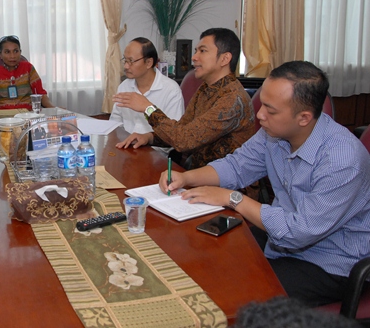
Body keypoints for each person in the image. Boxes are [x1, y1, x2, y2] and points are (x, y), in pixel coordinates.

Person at [160, 61, 370, 307]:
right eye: (262, 104)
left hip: (331, 261)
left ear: (303, 117)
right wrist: (187, 177)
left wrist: (233, 198)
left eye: (270, 110)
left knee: (237, 292)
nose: (260, 115)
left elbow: (298, 232)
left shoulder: (342, 159)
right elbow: (237, 166)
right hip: (279, 236)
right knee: (205, 254)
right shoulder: (276, 132)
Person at [113, 28, 255, 176]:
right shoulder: (205, 89)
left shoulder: (232, 99)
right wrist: (149, 137)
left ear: (225, 59)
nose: (194, 57)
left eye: (202, 51)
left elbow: (184, 140)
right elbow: (181, 130)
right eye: (196, 51)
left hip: (225, 183)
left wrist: (148, 108)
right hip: (198, 174)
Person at [109, 37, 184, 134]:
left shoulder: (171, 90)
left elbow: (174, 133)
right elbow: (115, 123)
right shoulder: (124, 86)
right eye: (125, 60)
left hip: (155, 144)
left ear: (149, 63)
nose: (126, 66)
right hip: (127, 142)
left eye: (131, 61)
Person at [0, 35, 54, 110]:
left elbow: (41, 95)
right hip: (2, 118)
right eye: (7, 52)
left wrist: (54, 109)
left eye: (15, 51)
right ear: (1, 55)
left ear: (20, 52)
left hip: (27, 116)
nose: (12, 56)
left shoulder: (28, 68)